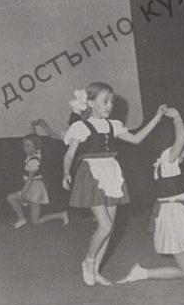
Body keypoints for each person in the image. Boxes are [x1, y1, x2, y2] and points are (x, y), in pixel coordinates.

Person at [62, 82, 167, 286]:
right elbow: (69, 154)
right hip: (91, 174)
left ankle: (96, 271)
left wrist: (157, 117)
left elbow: (136, 139)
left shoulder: (114, 125)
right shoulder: (80, 127)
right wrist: (66, 172)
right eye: (105, 101)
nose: (109, 105)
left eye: (111, 101)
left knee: (110, 229)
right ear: (91, 103)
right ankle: (88, 261)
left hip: (111, 173)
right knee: (105, 225)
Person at [119, 107, 184, 282]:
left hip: (177, 211)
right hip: (174, 214)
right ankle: (142, 273)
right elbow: (181, 137)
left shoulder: (162, 162)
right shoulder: (168, 158)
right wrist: (177, 117)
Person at [6, 134, 68, 228]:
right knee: (11, 197)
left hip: (36, 189)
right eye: (24, 145)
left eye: (28, 145)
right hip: (31, 186)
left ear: (35, 146)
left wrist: (23, 192)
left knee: (36, 221)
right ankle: (21, 219)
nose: (25, 148)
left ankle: (61, 215)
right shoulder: (35, 153)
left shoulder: (34, 161)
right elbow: (34, 138)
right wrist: (33, 126)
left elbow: (30, 179)